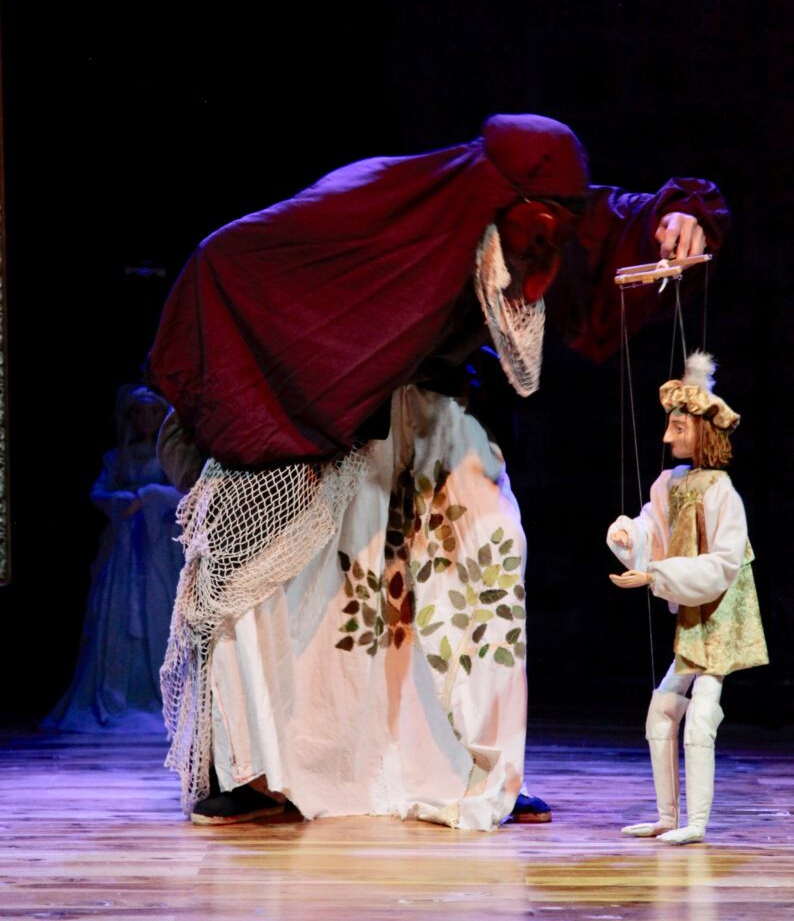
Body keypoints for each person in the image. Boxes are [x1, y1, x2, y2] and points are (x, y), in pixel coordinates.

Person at [147, 113, 729, 829]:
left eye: (560, 221)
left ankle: (482, 770)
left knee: (490, 557)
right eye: (537, 222)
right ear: (500, 202)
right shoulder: (385, 200)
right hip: (333, 416)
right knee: (286, 583)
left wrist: (678, 218)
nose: (548, 241)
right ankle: (253, 773)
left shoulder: (550, 220)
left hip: (438, 416)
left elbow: (617, 221)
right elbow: (237, 254)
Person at [607, 352, 768, 844]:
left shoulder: (723, 492)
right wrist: (628, 536)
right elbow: (653, 526)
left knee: (700, 716)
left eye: (678, 428)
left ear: (701, 431)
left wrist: (655, 574)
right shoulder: (672, 482)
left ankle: (695, 821)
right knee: (662, 710)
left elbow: (722, 566)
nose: (667, 437)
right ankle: (666, 815)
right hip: (693, 617)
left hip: (719, 618)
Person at [43, 385, 184, 733]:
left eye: (153, 412)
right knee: (117, 613)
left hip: (158, 546)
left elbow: (183, 491)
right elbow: (99, 492)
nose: (146, 419)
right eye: (139, 412)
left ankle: (163, 691)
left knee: (159, 608)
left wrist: (149, 496)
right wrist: (124, 501)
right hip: (124, 547)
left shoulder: (169, 455)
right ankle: (118, 690)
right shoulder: (117, 457)